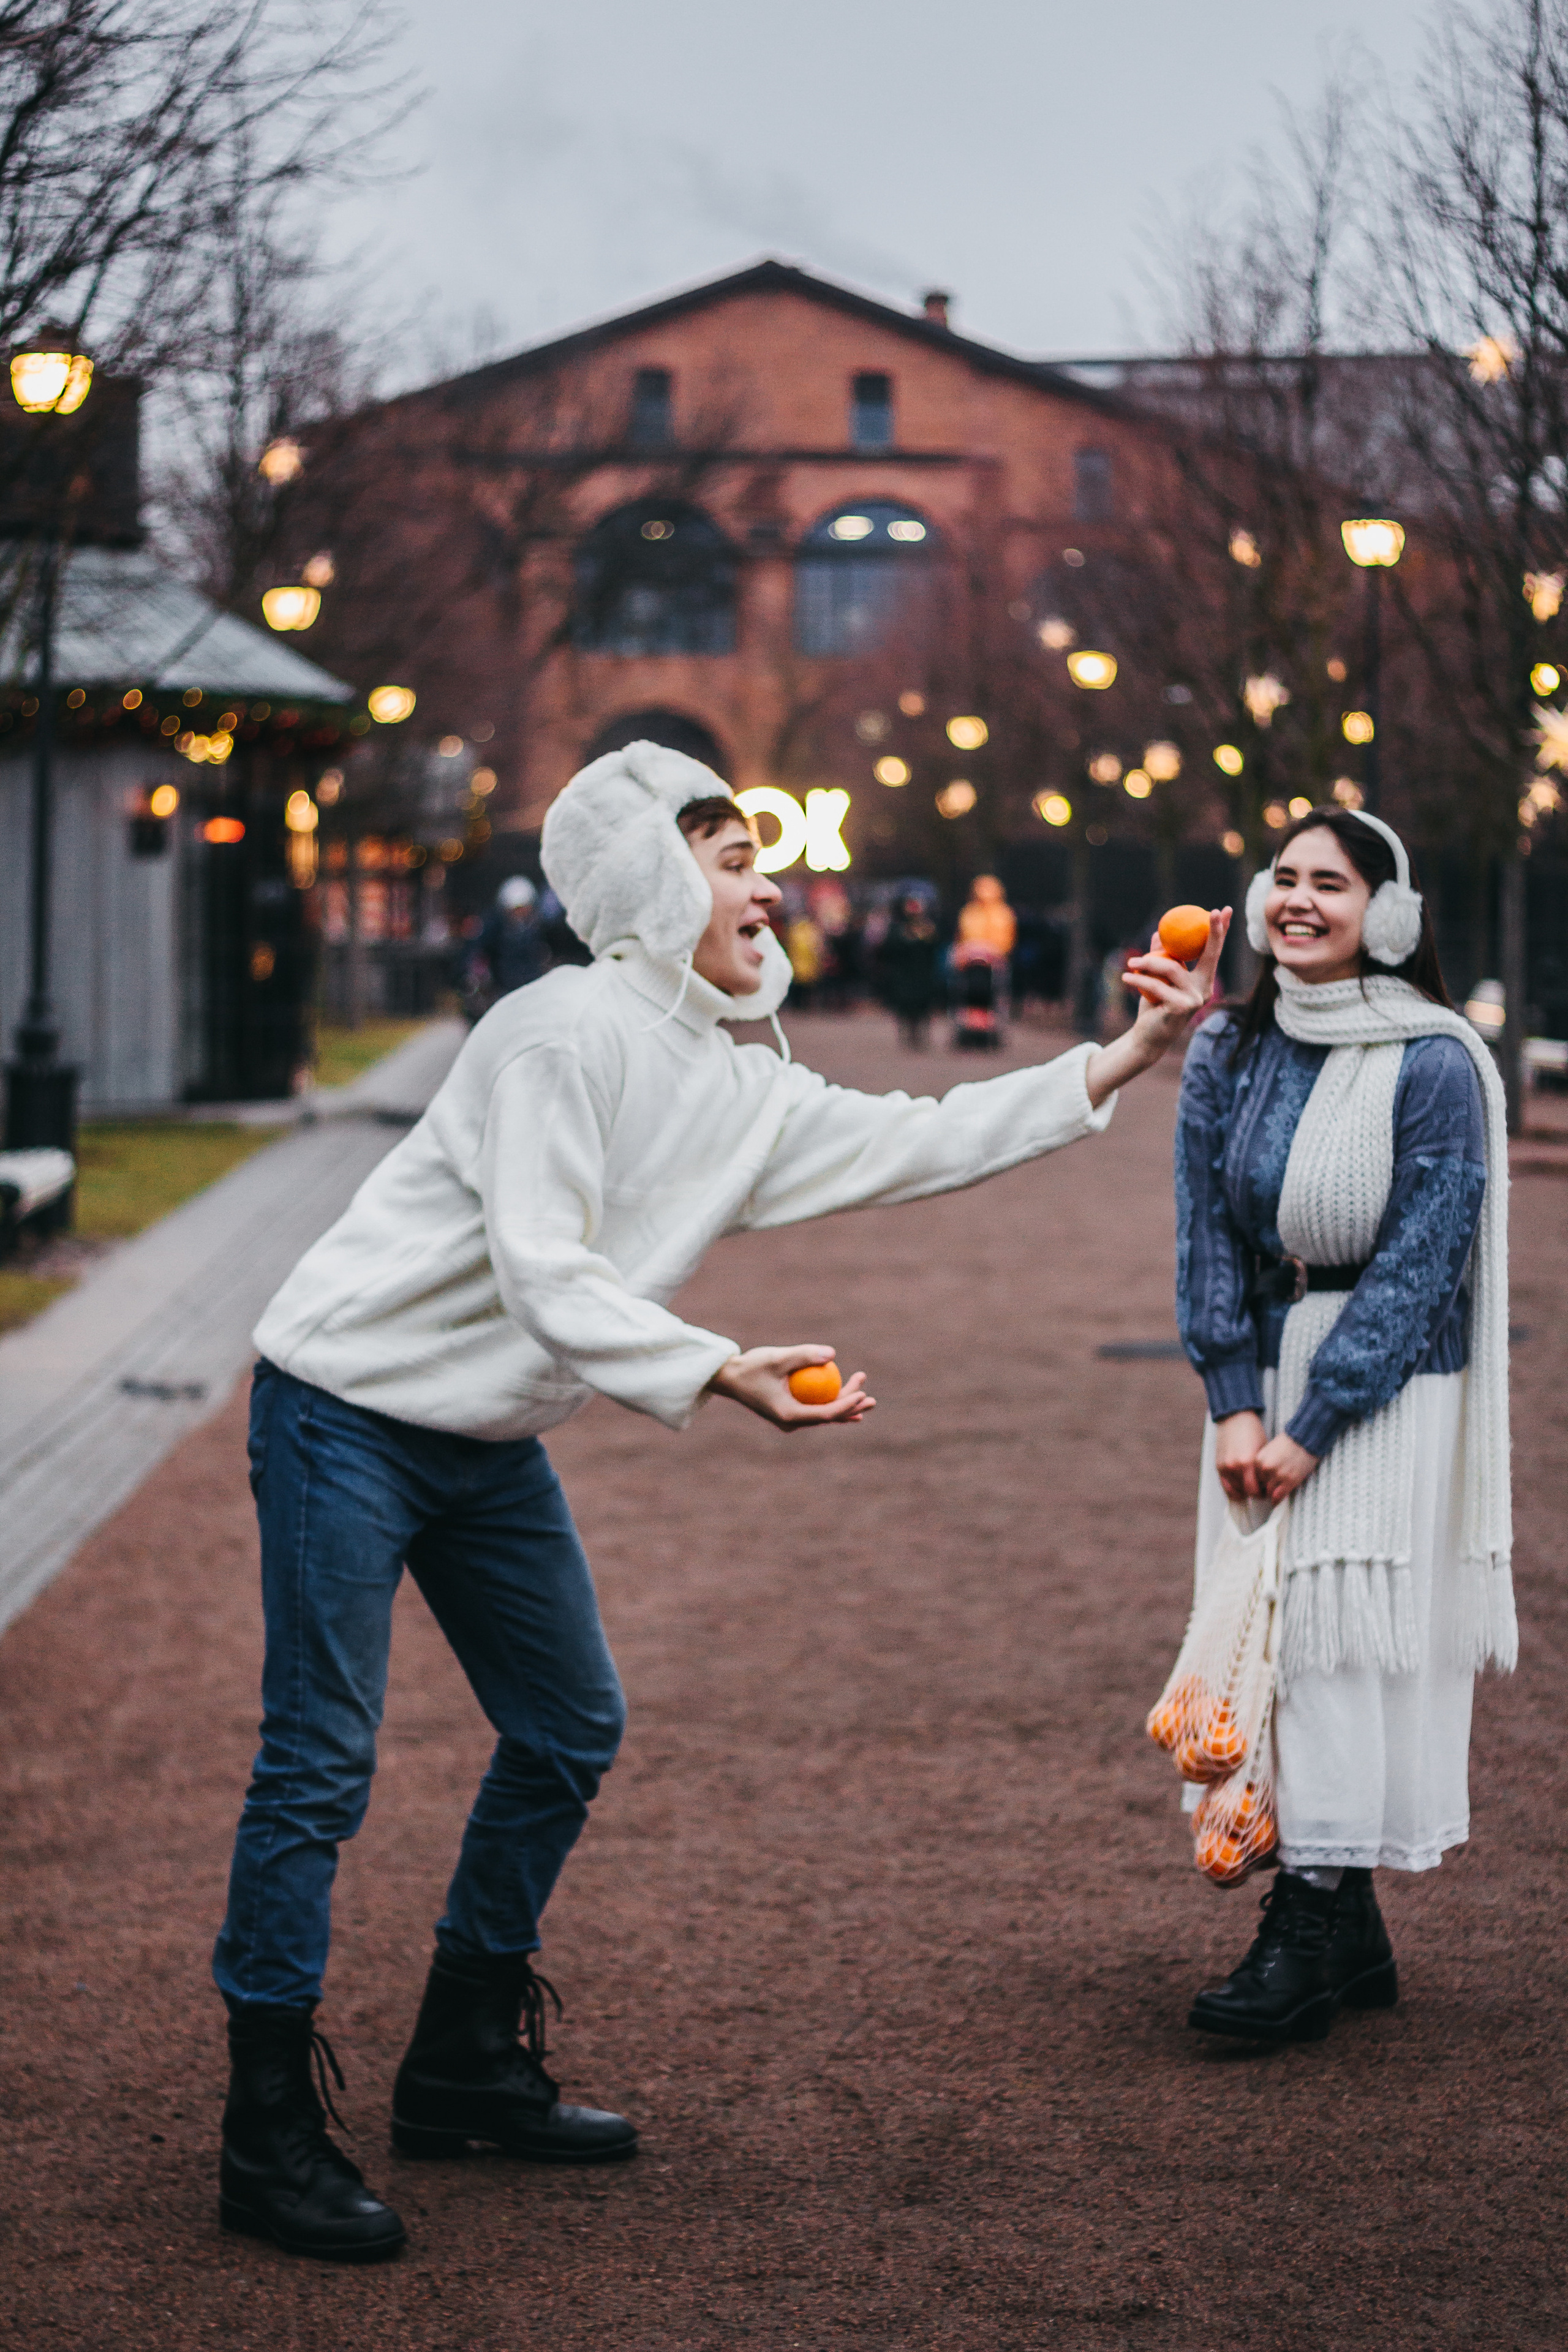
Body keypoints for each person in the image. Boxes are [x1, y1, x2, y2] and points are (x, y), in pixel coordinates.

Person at [214, 741, 1227, 2262]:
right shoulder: (554, 1033)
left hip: (484, 1436)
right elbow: (541, 1269)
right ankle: (263, 2131)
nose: (766, 887)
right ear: (647, 878)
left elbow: (911, 1135)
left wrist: (1118, 1059)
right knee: (318, 1764)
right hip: (342, 1412)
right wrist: (713, 1368)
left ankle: (461, 2059)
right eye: (732, 857)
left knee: (567, 1725)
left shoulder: (731, 1079)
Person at [1172, 806, 1513, 2046]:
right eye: (1284, 878)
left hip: (1385, 1387)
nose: (1299, 900)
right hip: (1263, 1374)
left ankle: (1310, 1922)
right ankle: (1349, 1922)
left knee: (1329, 1640)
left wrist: (1311, 1424)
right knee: (1269, 1645)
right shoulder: (1231, 1049)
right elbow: (1205, 1232)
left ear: (1391, 914)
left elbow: (1424, 1260)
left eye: (1332, 882)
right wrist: (1233, 1401)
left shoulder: (1435, 1061)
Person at [876, 888, 940, 1047]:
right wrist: (904, 938)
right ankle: (908, 1032)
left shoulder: (929, 927)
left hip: (923, 974)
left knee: (923, 1005)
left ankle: (920, 1033)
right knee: (905, 1005)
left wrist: (928, 938)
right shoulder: (897, 927)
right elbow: (887, 949)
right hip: (903, 974)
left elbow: (935, 949)